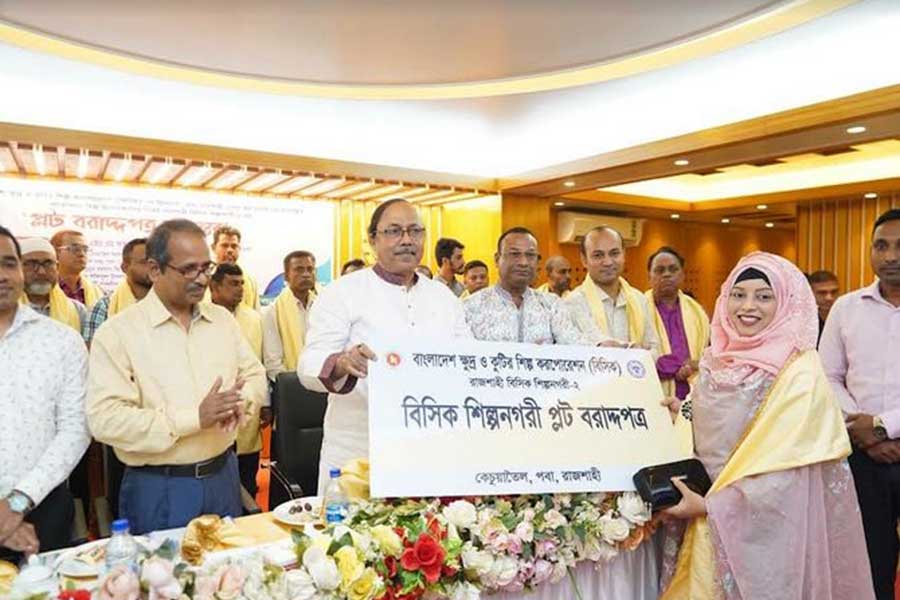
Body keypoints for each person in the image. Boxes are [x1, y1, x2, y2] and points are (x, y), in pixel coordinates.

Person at [659, 252, 873, 600]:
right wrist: (683, 412)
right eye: (738, 294)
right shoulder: (715, 362)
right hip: (701, 526)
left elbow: (790, 475)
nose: (748, 306)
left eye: (763, 296)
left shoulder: (800, 374)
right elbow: (713, 431)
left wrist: (713, 507)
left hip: (766, 536)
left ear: (787, 303)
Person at [86, 219, 267, 534]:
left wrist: (239, 403)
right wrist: (195, 418)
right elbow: (106, 420)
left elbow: (254, 374)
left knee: (230, 565)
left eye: (206, 268)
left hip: (224, 477)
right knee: (164, 568)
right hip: (159, 487)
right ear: (154, 270)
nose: (201, 279)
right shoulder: (118, 333)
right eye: (188, 270)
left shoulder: (223, 321)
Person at [298, 199, 471, 493]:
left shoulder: (444, 298)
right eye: (393, 231)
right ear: (372, 239)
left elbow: (467, 361)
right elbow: (308, 365)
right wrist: (341, 363)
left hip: (429, 449)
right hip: (358, 452)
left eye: (415, 231)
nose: (407, 240)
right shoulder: (342, 292)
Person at [819, 208, 900, 599]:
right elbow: (826, 377)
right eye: (881, 246)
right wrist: (863, 431)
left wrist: (882, 426)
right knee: (871, 563)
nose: (890, 256)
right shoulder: (846, 309)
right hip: (861, 457)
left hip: (877, 438)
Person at [0, 225, 90, 559]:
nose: (3, 275)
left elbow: (75, 428)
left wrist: (18, 502)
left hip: (44, 508)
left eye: (9, 263)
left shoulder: (61, 341)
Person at [464, 228, 584, 344]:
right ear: (497, 259)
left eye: (530, 255)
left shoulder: (551, 305)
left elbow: (573, 346)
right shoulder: (471, 307)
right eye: (515, 254)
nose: (523, 262)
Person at [210, 263, 265, 497]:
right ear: (214, 288)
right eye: (233, 284)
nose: (240, 289)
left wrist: (266, 403)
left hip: (248, 405)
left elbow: (260, 362)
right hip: (216, 413)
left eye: (241, 283)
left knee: (248, 478)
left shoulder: (254, 318)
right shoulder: (203, 317)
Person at [564, 226, 659, 354]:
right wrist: (634, 350)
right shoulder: (573, 303)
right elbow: (589, 349)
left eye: (614, 253)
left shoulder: (639, 300)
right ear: (584, 260)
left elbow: (654, 348)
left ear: (624, 254)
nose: (608, 262)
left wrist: (641, 355)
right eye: (598, 255)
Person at [646, 247, 710, 401]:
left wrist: (696, 365)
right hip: (652, 395)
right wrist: (674, 367)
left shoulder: (697, 312)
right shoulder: (638, 309)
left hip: (693, 397)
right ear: (650, 277)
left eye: (673, 269)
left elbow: (713, 357)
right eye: (660, 270)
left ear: (682, 275)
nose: (666, 274)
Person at [83, 238, 152, 345]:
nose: (152, 267)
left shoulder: (168, 303)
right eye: (144, 262)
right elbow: (93, 350)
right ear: (125, 267)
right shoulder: (104, 307)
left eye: (155, 262)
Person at [262, 251, 317, 382]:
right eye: (299, 269)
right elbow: (273, 363)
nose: (306, 274)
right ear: (286, 276)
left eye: (310, 269)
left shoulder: (323, 307)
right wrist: (296, 385)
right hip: (291, 386)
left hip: (324, 383)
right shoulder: (272, 312)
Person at [18, 237, 88, 332]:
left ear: (57, 267)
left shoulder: (77, 311)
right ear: (16, 268)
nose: (41, 272)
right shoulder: (6, 310)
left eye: (48, 264)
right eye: (32, 264)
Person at [210, 225, 261, 310]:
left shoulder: (250, 281)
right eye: (224, 245)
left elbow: (256, 312)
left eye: (234, 246)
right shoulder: (205, 280)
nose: (230, 250)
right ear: (213, 248)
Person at [50, 230, 104, 308]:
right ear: (55, 252)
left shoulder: (97, 291)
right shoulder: (45, 288)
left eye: (85, 249)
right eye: (75, 249)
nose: (82, 254)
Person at [807, 270, 839, 345]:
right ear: (810, 293)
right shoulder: (804, 323)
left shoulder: (847, 318)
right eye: (822, 293)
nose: (829, 298)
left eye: (834, 292)